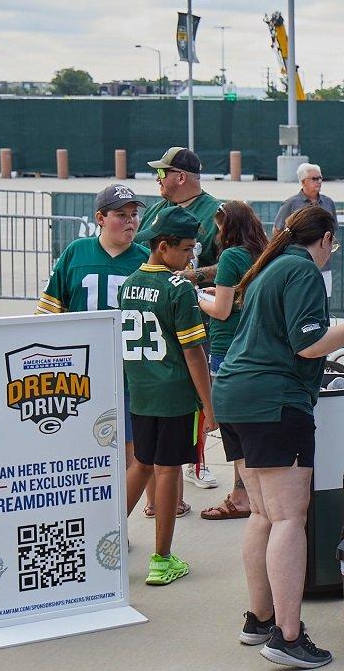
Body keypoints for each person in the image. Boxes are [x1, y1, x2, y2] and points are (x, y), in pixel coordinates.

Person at [212, 207, 344, 667]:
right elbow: (307, 342)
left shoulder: (271, 266)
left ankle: (260, 619)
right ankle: (288, 636)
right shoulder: (303, 270)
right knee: (289, 517)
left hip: (235, 394)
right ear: (326, 239)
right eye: (335, 244)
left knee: (265, 514)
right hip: (274, 400)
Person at [37, 184, 153, 503]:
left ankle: (117, 521)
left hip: (128, 370)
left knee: (129, 449)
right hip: (79, 371)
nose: (130, 222)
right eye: (121, 215)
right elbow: (49, 309)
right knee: (82, 447)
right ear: (100, 218)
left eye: (134, 215)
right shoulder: (76, 251)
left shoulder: (145, 259)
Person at [119, 208, 216, 586]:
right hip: (175, 394)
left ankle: (105, 538)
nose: (192, 257)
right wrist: (209, 405)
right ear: (164, 247)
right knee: (168, 469)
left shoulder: (128, 284)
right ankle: (161, 558)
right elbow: (194, 353)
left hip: (141, 390)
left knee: (141, 464)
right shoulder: (178, 290)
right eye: (188, 249)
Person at [138, 146, 222, 490]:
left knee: (196, 383)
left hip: (197, 313)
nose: (158, 179)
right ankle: (159, 476)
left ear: (181, 176)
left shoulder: (217, 212)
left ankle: (196, 462)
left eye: (162, 173)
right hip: (155, 314)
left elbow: (233, 264)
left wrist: (194, 276)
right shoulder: (157, 210)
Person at [199, 201, 268, 521]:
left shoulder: (229, 256)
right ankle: (246, 494)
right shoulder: (261, 254)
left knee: (232, 430)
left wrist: (198, 297)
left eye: (219, 225)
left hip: (227, 350)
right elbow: (243, 297)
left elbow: (222, 311)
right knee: (249, 427)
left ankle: (245, 497)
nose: (216, 231)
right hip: (256, 349)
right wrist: (220, 291)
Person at [272, 162, 338, 292]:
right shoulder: (290, 204)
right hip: (297, 265)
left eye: (320, 178)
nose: (319, 181)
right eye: (314, 178)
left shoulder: (328, 202)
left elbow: (333, 229)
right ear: (303, 182)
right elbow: (277, 231)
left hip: (323, 265)